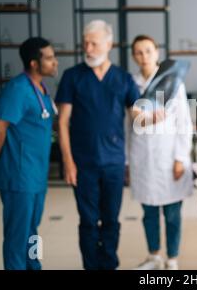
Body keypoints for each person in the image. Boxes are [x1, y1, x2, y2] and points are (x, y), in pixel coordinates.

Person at [56, 20, 163, 270]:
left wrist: (150, 119)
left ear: (108, 44)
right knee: (89, 221)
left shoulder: (123, 78)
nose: (88, 48)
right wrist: (68, 162)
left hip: (113, 162)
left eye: (94, 43)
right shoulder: (73, 77)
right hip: (83, 163)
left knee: (111, 220)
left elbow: (136, 114)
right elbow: (62, 123)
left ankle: (109, 264)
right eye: (86, 43)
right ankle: (92, 266)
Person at [0, 37, 58, 270]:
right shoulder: (18, 88)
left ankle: (33, 266)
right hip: (19, 174)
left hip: (36, 174)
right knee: (18, 234)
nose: (55, 62)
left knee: (32, 229)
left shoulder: (42, 89)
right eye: (49, 58)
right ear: (34, 63)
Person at [128, 35, 193, 270]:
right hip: (142, 158)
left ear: (156, 52)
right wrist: (127, 161)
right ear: (134, 56)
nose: (144, 56)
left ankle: (172, 258)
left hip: (169, 156)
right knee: (149, 212)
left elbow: (184, 123)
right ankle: (154, 256)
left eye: (148, 50)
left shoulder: (172, 81)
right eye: (138, 52)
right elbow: (127, 125)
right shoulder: (131, 84)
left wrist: (181, 158)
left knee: (173, 213)